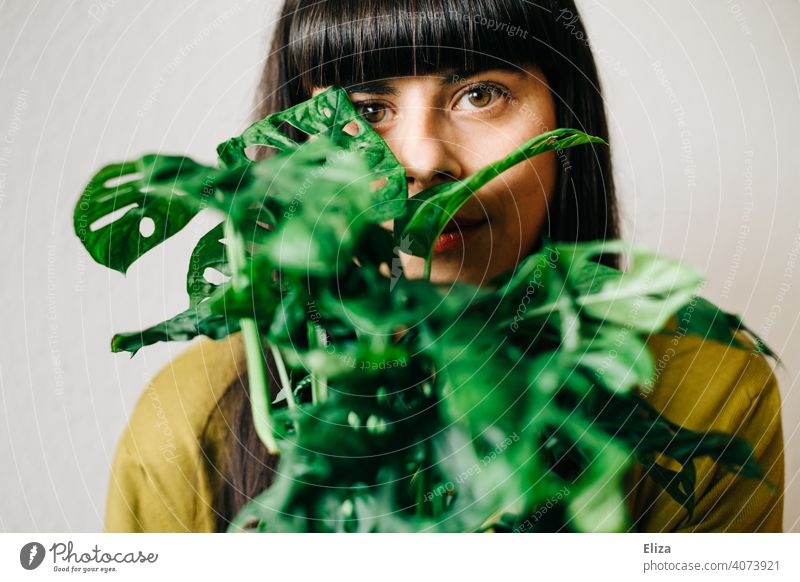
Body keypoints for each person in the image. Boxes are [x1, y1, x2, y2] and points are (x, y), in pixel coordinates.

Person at [104, 0, 783, 533]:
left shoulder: (705, 395)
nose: (424, 161)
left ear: (565, 117)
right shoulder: (189, 425)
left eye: (481, 94)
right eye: (367, 109)